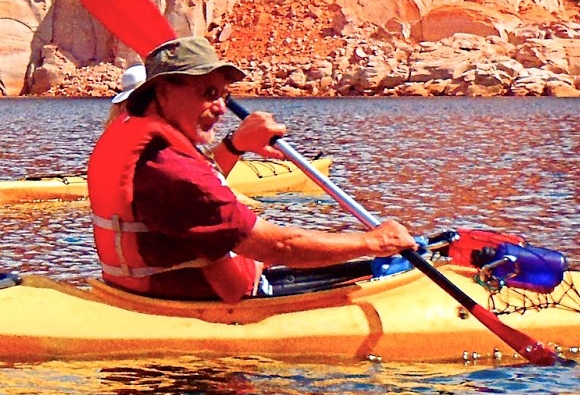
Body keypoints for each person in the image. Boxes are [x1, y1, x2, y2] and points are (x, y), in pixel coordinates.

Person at [87, 35, 413, 303]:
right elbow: (278, 245)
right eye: (207, 93)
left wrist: (234, 145)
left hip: (155, 289)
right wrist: (374, 242)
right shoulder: (172, 173)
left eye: (223, 96)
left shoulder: (152, 148)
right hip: (199, 302)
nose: (220, 108)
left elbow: (195, 187)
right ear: (163, 93)